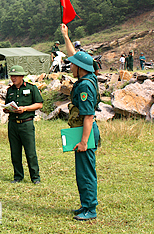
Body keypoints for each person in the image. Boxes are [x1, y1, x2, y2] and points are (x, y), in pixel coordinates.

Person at [61, 23, 100, 221]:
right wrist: (66, 37)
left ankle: (90, 209)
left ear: (81, 68)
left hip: (86, 132)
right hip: (85, 131)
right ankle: (86, 204)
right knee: (83, 171)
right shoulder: (89, 77)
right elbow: (75, 55)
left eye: (73, 65)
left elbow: (88, 116)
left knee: (85, 173)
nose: (71, 66)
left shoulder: (85, 87)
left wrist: (84, 141)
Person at [3, 65, 43, 185]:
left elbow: (39, 104)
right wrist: (7, 109)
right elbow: (6, 105)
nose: (13, 78)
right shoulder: (10, 90)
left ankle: (35, 177)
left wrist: (25, 109)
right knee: (15, 152)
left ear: (22, 76)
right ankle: (18, 176)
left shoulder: (31, 88)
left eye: (15, 76)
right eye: (11, 76)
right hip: (13, 124)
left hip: (26, 124)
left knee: (30, 152)